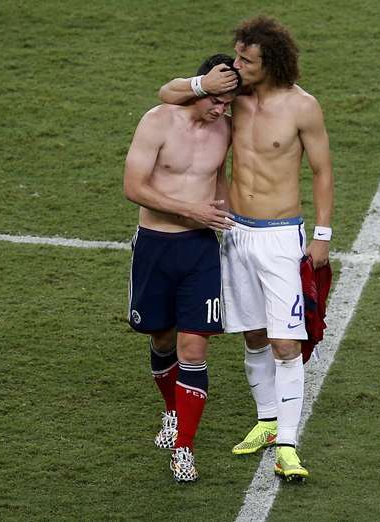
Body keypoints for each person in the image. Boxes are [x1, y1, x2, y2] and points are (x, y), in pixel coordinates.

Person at [158, 16, 334, 481]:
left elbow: (321, 171)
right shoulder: (233, 98)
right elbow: (168, 95)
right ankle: (267, 421)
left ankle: (289, 448)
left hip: (280, 237)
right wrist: (201, 81)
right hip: (235, 235)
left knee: (285, 343)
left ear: (269, 62)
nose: (236, 65)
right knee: (253, 335)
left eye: (246, 59)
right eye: (236, 56)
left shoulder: (303, 107)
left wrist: (323, 234)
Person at [124, 54, 241, 482]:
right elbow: (133, 187)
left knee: (194, 347)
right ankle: (171, 411)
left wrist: (228, 217)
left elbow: (219, 178)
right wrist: (190, 209)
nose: (223, 110)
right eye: (219, 101)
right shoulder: (157, 121)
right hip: (155, 246)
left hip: (199, 249)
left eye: (229, 103)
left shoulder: (224, 128)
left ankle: (185, 448)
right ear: (203, 88)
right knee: (162, 338)